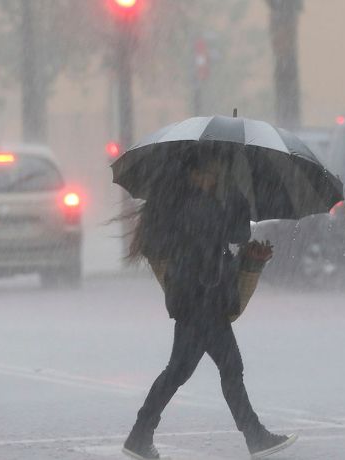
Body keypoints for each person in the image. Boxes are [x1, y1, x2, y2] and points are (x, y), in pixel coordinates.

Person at [121, 147, 298, 460]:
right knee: (227, 369)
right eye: (211, 173)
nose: (214, 178)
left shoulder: (188, 204)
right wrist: (235, 200)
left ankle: (140, 434)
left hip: (196, 299)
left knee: (181, 371)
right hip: (202, 300)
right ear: (195, 174)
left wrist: (230, 200)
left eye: (217, 173)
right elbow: (235, 232)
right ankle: (255, 437)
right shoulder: (199, 206)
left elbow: (226, 239)